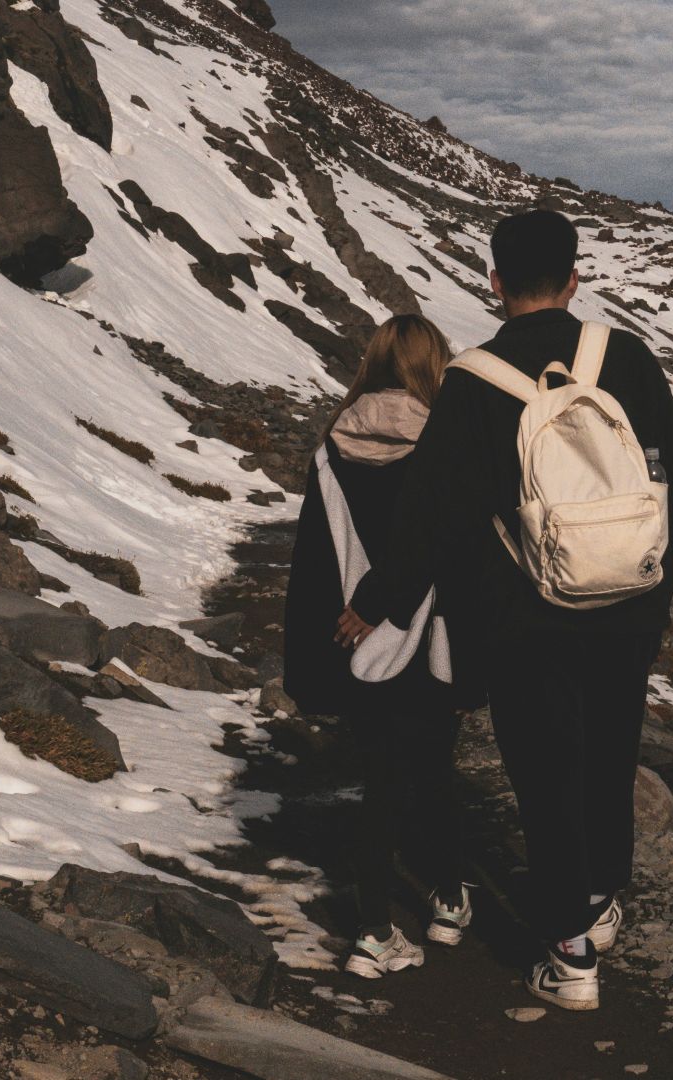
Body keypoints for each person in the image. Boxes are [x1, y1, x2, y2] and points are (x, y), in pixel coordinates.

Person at [345, 210, 673, 1011]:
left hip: (526, 611)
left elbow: (434, 514)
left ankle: (570, 954)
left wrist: (380, 603)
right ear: (575, 278)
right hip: (630, 600)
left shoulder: (474, 380)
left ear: (495, 282)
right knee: (611, 752)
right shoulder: (626, 356)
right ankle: (602, 900)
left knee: (545, 771)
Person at [282, 314, 476, 980]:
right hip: (429, 642)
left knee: (381, 778)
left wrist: (320, 653)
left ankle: (376, 924)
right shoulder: (446, 445)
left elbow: (313, 561)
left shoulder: (333, 446)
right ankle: (437, 909)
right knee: (432, 774)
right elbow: (454, 555)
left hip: (357, 642)